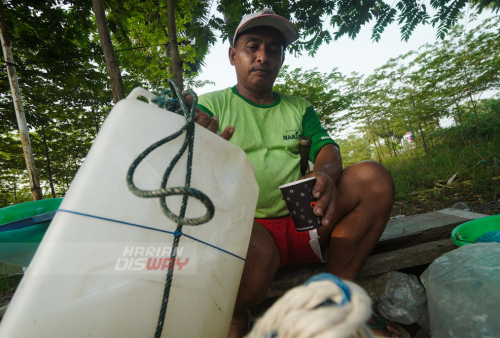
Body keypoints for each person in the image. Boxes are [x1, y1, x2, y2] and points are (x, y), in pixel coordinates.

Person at [187, 8, 399, 338]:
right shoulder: (209, 106)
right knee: (255, 256)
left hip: (304, 215)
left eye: (274, 49)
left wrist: (325, 174)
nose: (263, 57)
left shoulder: (298, 107)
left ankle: (337, 295)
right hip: (248, 225)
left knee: (373, 177)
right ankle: (235, 316)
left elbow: (327, 149)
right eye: (252, 46)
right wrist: (197, 136)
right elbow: (181, 161)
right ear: (232, 56)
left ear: (282, 59)